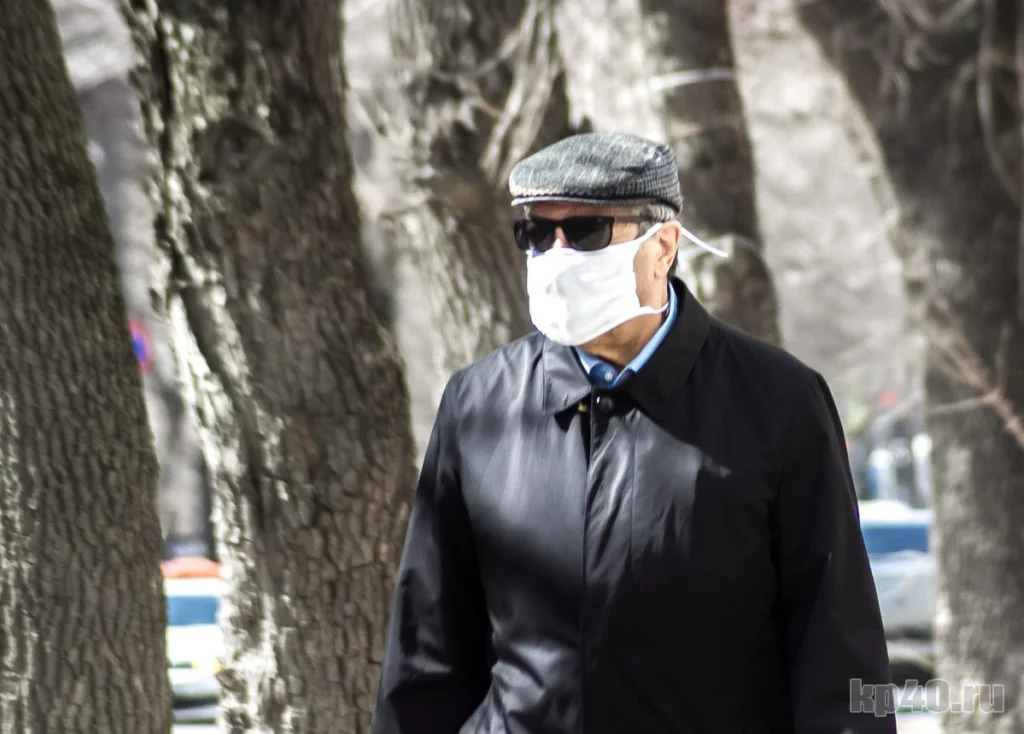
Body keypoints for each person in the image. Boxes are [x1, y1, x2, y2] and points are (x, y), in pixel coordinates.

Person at [370, 131, 896, 733]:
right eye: (537, 234)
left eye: (586, 232)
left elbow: (842, 650)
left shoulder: (779, 402)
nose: (557, 255)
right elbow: (426, 654)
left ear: (663, 246)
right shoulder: (479, 405)